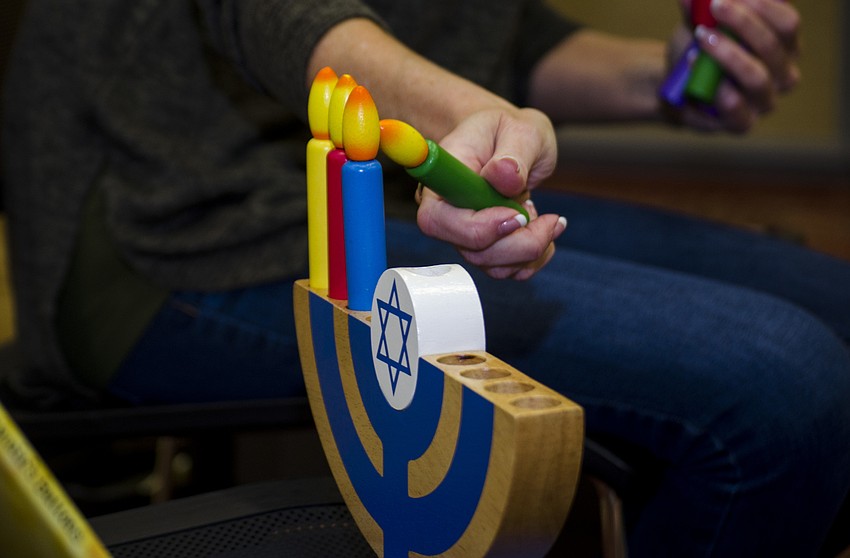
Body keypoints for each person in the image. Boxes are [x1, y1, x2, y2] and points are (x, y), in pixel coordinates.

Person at [2, 0, 849, 555]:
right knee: (780, 388)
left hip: (381, 183)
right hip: (177, 233)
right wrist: (459, 133)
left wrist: (674, 78)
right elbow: (286, 17)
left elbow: (482, 31)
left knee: (832, 313)